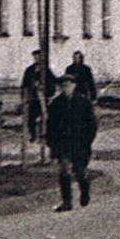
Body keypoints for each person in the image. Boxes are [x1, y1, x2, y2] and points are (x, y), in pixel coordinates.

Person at [45, 73, 98, 211]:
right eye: (63, 86)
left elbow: (91, 125)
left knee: (79, 171)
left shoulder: (83, 102)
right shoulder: (56, 104)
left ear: (74, 86)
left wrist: (87, 141)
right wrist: (51, 143)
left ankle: (84, 189)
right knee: (64, 171)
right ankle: (66, 202)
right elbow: (50, 125)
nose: (65, 88)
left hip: (80, 143)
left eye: (68, 85)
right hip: (63, 144)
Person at [21, 48, 55, 143]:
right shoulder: (29, 70)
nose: (37, 59)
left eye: (39, 57)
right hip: (33, 98)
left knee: (45, 117)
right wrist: (24, 97)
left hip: (43, 98)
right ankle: (33, 135)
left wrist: (48, 93)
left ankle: (43, 135)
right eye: (35, 57)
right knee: (31, 118)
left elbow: (52, 83)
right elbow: (24, 84)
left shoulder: (46, 70)